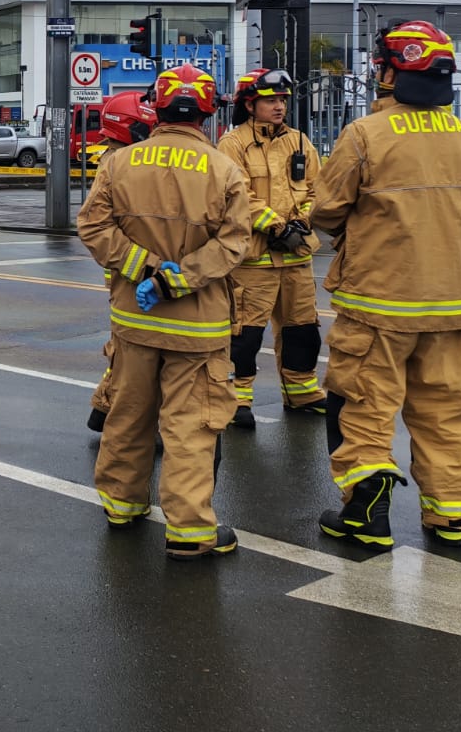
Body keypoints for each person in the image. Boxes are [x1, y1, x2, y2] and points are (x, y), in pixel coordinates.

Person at [310, 20, 461, 550]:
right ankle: (449, 513)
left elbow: (326, 209)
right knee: (444, 414)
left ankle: (366, 513)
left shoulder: (366, 134)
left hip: (377, 305)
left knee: (362, 407)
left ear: (389, 73)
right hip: (449, 307)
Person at [77, 65, 251, 559]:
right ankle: (191, 532)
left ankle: (121, 505)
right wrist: (177, 276)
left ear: (157, 106)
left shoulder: (120, 162)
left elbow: (93, 227)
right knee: (190, 427)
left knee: (129, 414)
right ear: (208, 110)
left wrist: (144, 269)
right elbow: (235, 242)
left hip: (133, 318)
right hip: (198, 325)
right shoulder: (224, 169)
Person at [218, 68, 327, 428]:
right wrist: (277, 227)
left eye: (282, 100)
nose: (279, 106)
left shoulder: (299, 142)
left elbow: (319, 189)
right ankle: (239, 399)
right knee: (245, 334)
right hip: (254, 261)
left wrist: (303, 223)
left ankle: (302, 392)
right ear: (250, 104)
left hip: (296, 257)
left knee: (302, 330)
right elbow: (237, 195)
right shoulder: (232, 144)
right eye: (270, 100)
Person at [83, 89, 157, 434]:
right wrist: (142, 265)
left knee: (129, 346)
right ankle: (115, 414)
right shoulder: (117, 163)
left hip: (133, 266)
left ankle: (103, 409)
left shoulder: (121, 159)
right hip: (133, 268)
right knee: (132, 348)